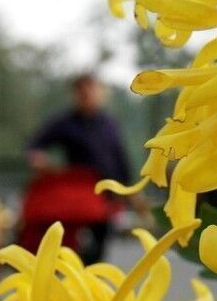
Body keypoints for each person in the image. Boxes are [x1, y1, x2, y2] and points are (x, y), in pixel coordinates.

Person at [22, 73, 141, 263]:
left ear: (101, 92)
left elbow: (120, 158)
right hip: (79, 194)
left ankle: (91, 282)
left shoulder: (109, 123)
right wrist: (39, 159)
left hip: (107, 194)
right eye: (81, 90)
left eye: (91, 89)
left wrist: (130, 189)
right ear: (74, 94)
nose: (87, 94)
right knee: (73, 245)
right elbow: (34, 146)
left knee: (100, 243)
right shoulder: (64, 122)